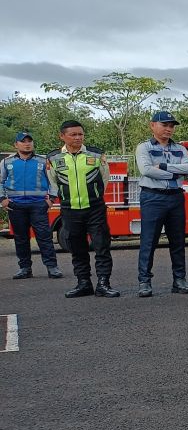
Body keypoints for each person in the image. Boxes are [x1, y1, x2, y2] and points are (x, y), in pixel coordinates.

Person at [48, 120, 119, 298]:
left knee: (101, 246)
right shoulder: (54, 158)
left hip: (95, 208)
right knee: (77, 248)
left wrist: (94, 196)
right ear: (62, 136)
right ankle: (83, 283)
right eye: (73, 135)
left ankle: (103, 283)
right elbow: (53, 182)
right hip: (69, 209)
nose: (78, 138)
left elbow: (105, 179)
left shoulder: (96, 154)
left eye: (80, 134)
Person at [133, 111, 188, 297]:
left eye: (172, 125)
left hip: (175, 197)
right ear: (152, 125)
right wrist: (177, 173)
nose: (169, 129)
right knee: (148, 240)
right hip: (153, 197)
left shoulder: (181, 149)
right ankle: (144, 281)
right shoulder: (143, 148)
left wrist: (165, 167)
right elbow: (146, 170)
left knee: (178, 240)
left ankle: (179, 280)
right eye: (164, 125)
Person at [1, 131, 60, 280]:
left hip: (38, 205)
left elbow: (54, 181)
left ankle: (52, 267)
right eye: (23, 141)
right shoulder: (6, 162)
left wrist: (51, 199)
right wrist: (2, 199)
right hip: (16, 205)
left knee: (44, 237)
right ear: (16, 145)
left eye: (29, 141)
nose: (27, 144)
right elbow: (0, 181)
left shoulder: (43, 161)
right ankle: (25, 268)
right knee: (21, 238)